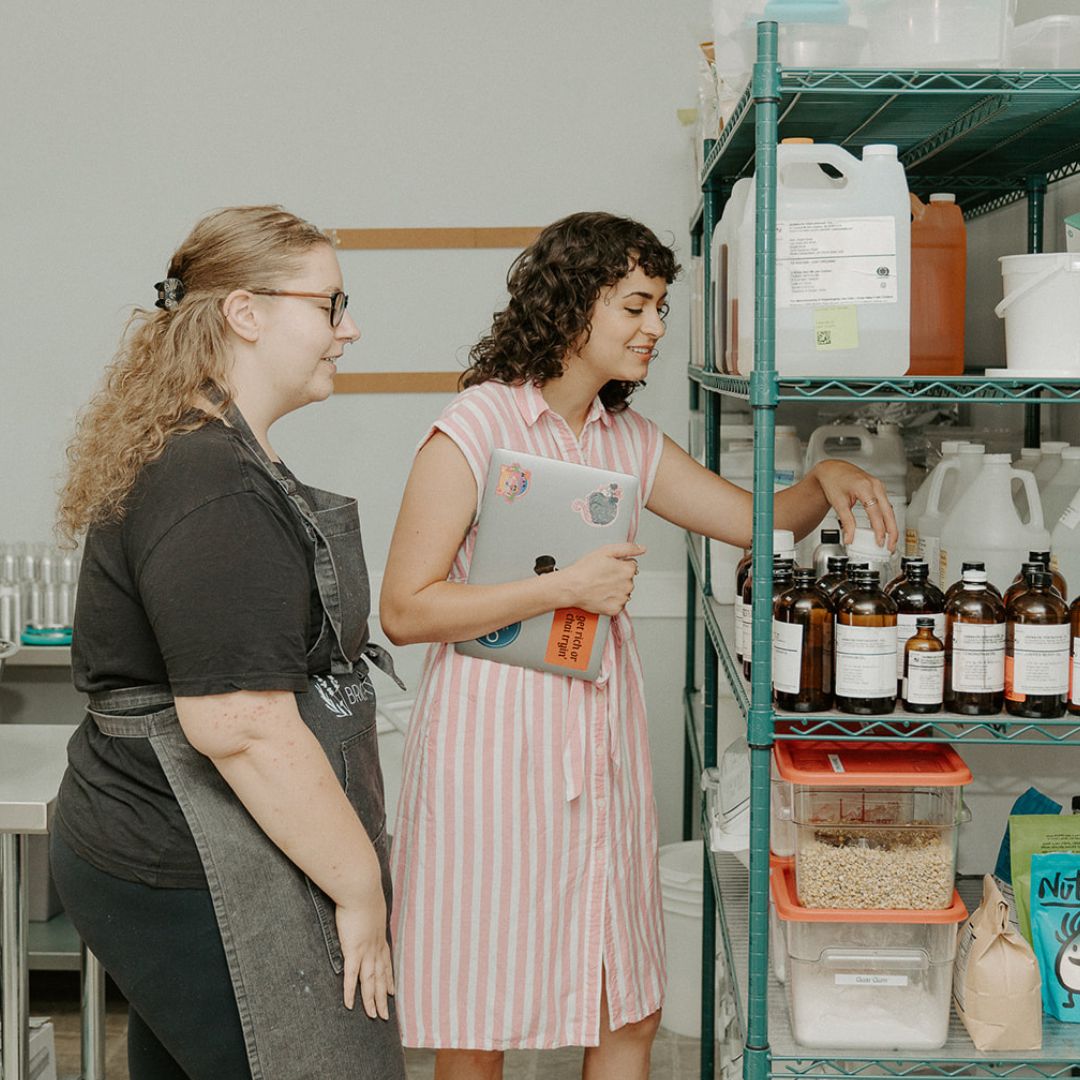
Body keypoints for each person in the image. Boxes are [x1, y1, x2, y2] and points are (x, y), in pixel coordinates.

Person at [380, 211, 897, 1080]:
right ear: (571, 304)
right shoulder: (475, 426)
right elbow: (404, 607)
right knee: (479, 1009)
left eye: (659, 306)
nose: (655, 326)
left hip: (597, 746)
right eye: (634, 306)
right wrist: (563, 589)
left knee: (628, 1003)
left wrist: (824, 478)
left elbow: (755, 520)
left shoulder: (627, 440)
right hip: (490, 746)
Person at [52, 206, 406, 1080]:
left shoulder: (210, 453)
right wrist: (358, 886)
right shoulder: (212, 479)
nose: (349, 329)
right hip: (183, 851)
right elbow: (241, 724)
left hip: (172, 835)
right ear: (245, 312)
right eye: (330, 304)